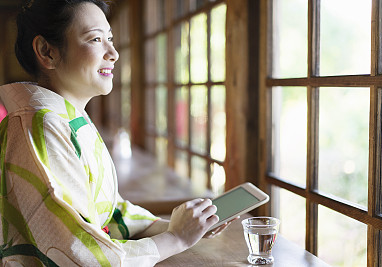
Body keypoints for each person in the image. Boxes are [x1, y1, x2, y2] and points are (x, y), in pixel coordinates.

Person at [0, 0, 230, 265]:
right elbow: (78, 252)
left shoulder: (67, 120)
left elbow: (109, 212)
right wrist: (175, 239)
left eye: (110, 38)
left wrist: (180, 227)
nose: (113, 53)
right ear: (47, 51)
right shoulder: (41, 126)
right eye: (96, 39)